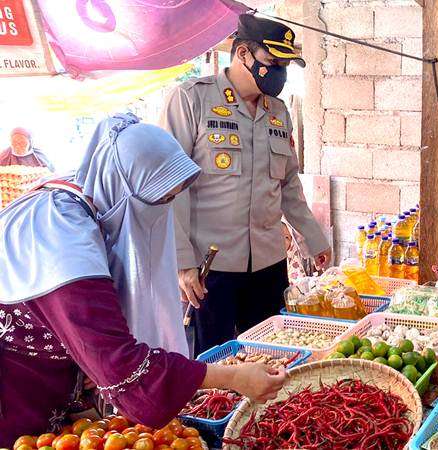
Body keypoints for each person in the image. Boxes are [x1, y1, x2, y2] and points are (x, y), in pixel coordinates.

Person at [0, 114, 285, 445]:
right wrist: (233, 377)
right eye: (160, 200)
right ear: (125, 188)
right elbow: (125, 368)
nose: (162, 214)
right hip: (16, 390)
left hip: (52, 385)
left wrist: (94, 359)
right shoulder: (62, 240)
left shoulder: (93, 192)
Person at [159, 13, 331, 355]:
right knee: (218, 365)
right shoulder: (192, 99)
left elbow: (288, 187)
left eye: (284, 64)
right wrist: (181, 264)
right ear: (242, 55)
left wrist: (314, 240)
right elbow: (169, 189)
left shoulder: (278, 112)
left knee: (275, 358)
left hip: (269, 265)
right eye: (272, 62)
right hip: (212, 269)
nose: (279, 72)